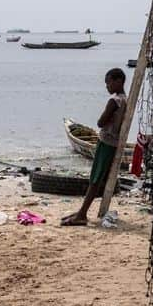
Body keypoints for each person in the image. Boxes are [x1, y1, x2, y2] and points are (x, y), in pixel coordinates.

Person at [62, 68, 127, 226]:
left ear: (118, 81)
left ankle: (82, 214)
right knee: (98, 178)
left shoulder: (114, 101)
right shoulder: (125, 99)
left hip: (107, 142)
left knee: (95, 179)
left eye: (109, 82)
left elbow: (100, 122)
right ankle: (81, 211)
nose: (107, 86)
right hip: (113, 142)